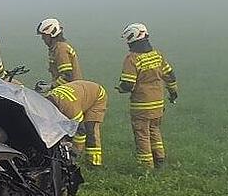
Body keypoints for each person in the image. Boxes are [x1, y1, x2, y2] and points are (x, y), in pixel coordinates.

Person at [116, 23, 178, 169]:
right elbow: (170, 75)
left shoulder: (132, 59)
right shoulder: (157, 55)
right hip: (158, 103)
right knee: (154, 130)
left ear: (132, 38)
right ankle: (160, 160)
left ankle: (146, 167)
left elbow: (128, 84)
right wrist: (173, 91)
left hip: (141, 105)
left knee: (142, 133)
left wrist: (120, 88)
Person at [47, 80, 108, 166]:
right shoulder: (47, 101)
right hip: (80, 92)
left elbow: (80, 131)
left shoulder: (70, 108)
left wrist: (75, 152)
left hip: (97, 96)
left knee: (90, 129)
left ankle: (94, 163)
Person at [37, 18, 83, 87]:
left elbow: (68, 76)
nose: (42, 38)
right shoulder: (55, 48)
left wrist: (51, 86)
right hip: (67, 88)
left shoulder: (61, 49)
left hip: (71, 89)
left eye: (44, 36)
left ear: (52, 34)